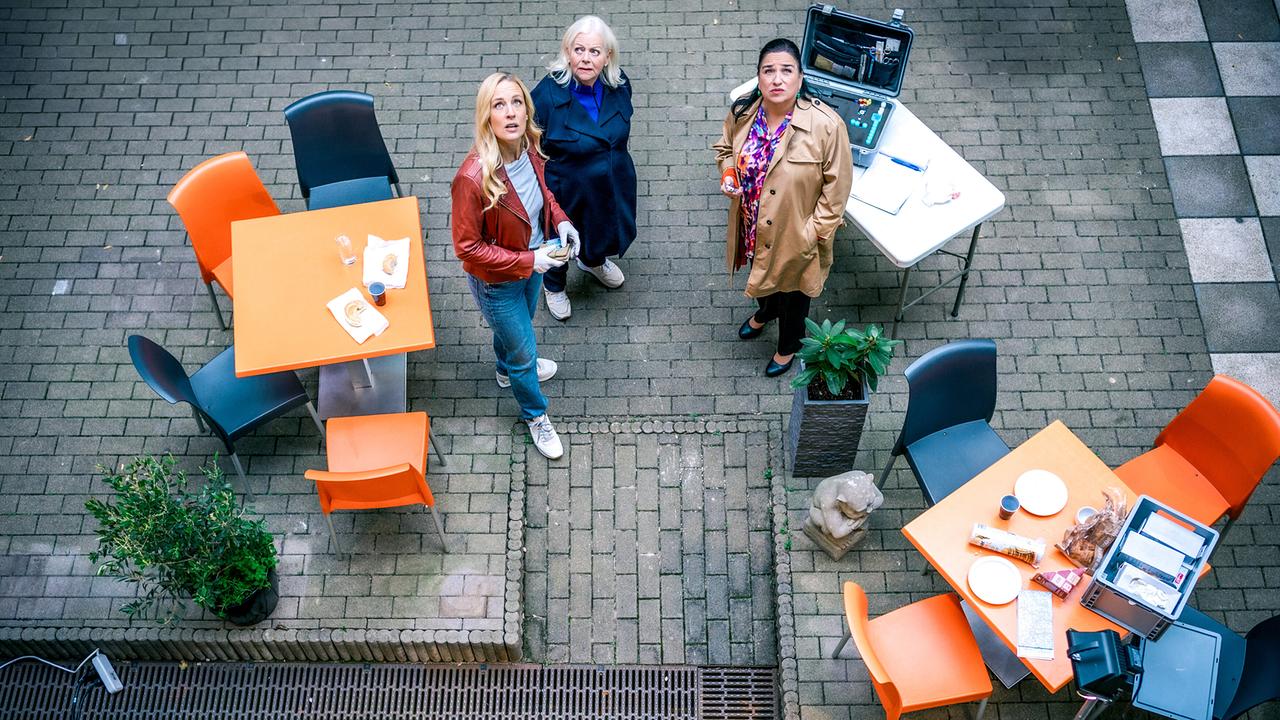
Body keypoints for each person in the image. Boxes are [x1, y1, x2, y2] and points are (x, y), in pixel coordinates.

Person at [451, 72, 581, 459]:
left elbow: (541, 196)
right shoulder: (472, 178)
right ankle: (535, 415)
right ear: (486, 116)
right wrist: (530, 259)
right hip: (498, 280)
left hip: (532, 265)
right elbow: (466, 248)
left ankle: (504, 370)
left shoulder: (528, 147)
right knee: (524, 351)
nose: (510, 113)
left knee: (514, 335)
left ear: (527, 109)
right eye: (498, 105)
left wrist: (561, 220)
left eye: (516, 102)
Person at [713, 38, 853, 377]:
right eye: (768, 71)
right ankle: (766, 311)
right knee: (760, 270)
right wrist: (730, 172)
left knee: (794, 294)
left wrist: (812, 233)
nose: (777, 79)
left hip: (796, 233)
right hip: (753, 224)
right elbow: (725, 149)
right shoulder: (743, 113)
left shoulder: (826, 126)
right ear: (759, 78)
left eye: (786, 71)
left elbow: (838, 190)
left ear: (800, 79)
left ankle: (788, 346)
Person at [531, 15, 637, 321]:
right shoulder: (545, 97)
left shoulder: (619, 83)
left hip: (612, 181)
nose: (586, 58)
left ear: (607, 57)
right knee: (560, 239)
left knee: (603, 225)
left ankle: (592, 261)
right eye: (579, 50)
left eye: (594, 51)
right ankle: (553, 285)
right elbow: (532, 149)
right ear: (567, 52)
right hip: (567, 188)